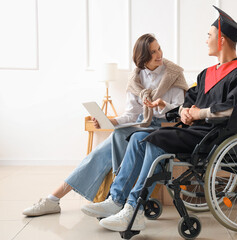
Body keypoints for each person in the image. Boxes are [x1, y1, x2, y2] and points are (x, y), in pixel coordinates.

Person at [82, 5, 237, 232]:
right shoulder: (206, 74)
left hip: (218, 136)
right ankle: (117, 200)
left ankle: (134, 208)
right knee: (140, 136)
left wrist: (199, 113)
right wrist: (184, 112)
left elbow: (236, 110)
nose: (205, 40)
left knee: (156, 137)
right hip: (197, 132)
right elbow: (189, 99)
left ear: (222, 41)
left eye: (209, 36)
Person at [22, 33, 189, 217]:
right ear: (142, 58)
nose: (159, 54)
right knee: (101, 150)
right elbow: (131, 115)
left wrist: (161, 106)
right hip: (142, 125)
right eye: (153, 52)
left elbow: (180, 112)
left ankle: (115, 199)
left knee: (111, 144)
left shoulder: (173, 74)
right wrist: (109, 121)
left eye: (159, 49)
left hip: (163, 128)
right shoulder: (136, 78)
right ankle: (53, 199)